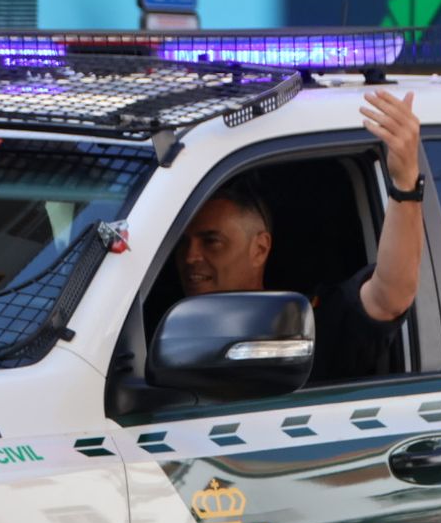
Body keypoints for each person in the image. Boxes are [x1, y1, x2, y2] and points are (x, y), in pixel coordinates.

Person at [176, 89, 424, 383]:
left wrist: (405, 186)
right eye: (183, 243)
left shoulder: (303, 326)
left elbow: (390, 297)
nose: (190, 257)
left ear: (260, 249)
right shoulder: (152, 320)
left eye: (211, 241)